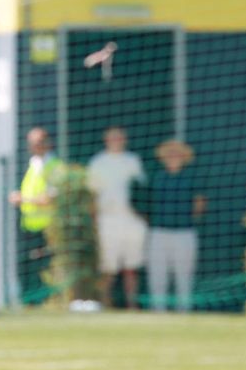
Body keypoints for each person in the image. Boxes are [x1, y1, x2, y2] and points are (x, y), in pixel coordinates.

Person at [141, 138, 206, 312]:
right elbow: (146, 204)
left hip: (185, 233)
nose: (173, 156)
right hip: (158, 233)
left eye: (176, 153)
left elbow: (199, 204)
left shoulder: (191, 177)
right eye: (169, 153)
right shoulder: (156, 177)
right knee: (157, 275)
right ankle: (157, 311)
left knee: (184, 276)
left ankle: (183, 312)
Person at [84, 126, 146, 310]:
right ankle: (105, 304)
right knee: (107, 268)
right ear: (106, 140)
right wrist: (94, 221)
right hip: (107, 221)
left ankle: (132, 305)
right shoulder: (98, 162)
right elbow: (92, 195)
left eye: (120, 138)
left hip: (131, 221)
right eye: (113, 138)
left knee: (131, 267)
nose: (116, 141)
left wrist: (142, 216)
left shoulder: (133, 161)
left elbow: (141, 192)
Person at [7, 127, 64, 306]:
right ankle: (32, 301)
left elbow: (51, 198)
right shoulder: (33, 164)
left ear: (47, 143)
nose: (33, 146)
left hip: (48, 228)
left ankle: (49, 301)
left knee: (46, 266)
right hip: (29, 226)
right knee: (27, 265)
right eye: (31, 143)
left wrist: (22, 199)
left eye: (38, 143)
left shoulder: (55, 166)